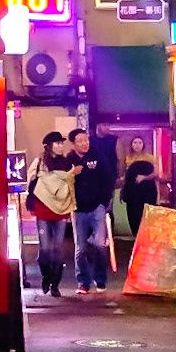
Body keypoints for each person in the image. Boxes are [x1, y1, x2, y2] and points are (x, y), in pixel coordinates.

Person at [26, 131, 75, 296]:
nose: (61, 146)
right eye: (58, 143)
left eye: (62, 143)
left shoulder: (67, 164)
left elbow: (69, 186)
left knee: (58, 249)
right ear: (48, 145)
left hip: (60, 212)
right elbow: (31, 184)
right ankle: (46, 277)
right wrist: (30, 203)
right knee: (45, 248)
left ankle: (55, 283)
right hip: (43, 210)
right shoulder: (39, 163)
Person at [69, 127, 116, 293]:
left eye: (86, 140)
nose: (85, 143)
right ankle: (83, 282)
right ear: (73, 144)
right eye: (80, 141)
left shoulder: (97, 156)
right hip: (78, 210)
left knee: (100, 245)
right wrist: (72, 173)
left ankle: (100, 279)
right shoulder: (69, 160)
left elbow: (109, 178)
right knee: (80, 248)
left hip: (97, 207)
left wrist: (104, 202)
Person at [122, 156, 158, 236]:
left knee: (145, 219)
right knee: (134, 217)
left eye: (139, 142)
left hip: (147, 191)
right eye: (135, 142)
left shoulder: (150, 158)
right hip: (133, 190)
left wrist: (144, 177)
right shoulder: (127, 157)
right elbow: (126, 177)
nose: (137, 145)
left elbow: (157, 174)